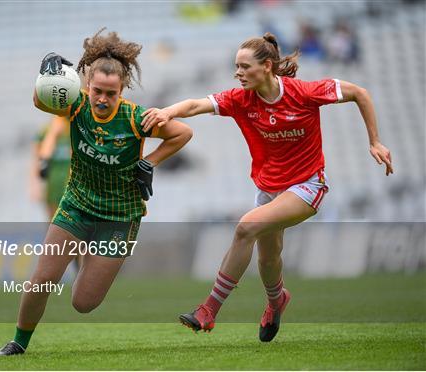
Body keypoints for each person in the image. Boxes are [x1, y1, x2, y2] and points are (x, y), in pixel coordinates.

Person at [141, 32, 393, 342]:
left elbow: (360, 93)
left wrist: (375, 141)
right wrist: (167, 112)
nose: (238, 73)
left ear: (268, 66)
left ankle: (208, 310)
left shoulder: (304, 92)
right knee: (268, 260)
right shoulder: (240, 99)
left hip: (307, 186)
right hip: (269, 189)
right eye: (236, 66)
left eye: (245, 66)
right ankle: (277, 303)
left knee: (246, 226)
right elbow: (194, 105)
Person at [0, 29, 193, 355]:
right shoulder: (75, 107)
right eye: (97, 91)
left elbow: (182, 133)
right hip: (76, 205)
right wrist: (46, 74)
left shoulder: (136, 118)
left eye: (110, 93)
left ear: (122, 90)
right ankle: (18, 342)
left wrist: (150, 162)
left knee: (83, 302)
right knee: (41, 282)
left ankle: (89, 253)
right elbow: (38, 100)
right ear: (86, 86)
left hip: (120, 216)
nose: (102, 99)